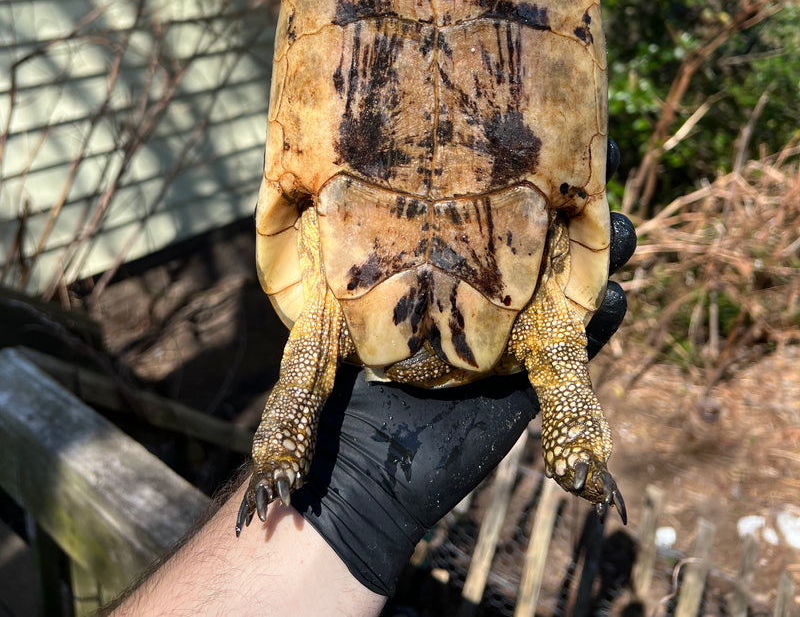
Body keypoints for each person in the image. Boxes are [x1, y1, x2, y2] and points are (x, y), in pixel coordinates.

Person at [110, 206, 635, 617]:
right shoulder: (535, 324)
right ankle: (578, 447)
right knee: (561, 349)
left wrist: (302, 471)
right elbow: (560, 351)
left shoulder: (330, 313)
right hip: (500, 267)